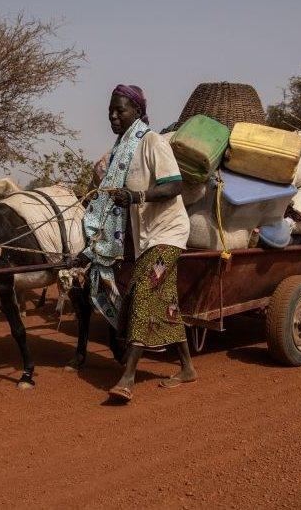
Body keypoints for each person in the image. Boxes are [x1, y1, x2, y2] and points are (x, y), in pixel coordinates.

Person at [81, 84, 197, 403]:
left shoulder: (151, 142)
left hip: (168, 235)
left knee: (143, 294)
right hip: (147, 237)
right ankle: (187, 367)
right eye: (111, 112)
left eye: (121, 110)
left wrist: (136, 196)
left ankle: (128, 377)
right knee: (167, 304)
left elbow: (174, 185)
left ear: (138, 111)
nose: (114, 116)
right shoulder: (121, 149)